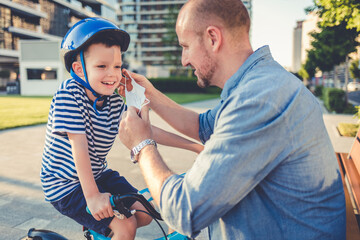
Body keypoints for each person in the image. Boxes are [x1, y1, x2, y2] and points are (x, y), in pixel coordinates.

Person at [118, 0, 346, 239]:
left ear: (213, 38)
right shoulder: (258, 83)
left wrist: (141, 145)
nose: (184, 60)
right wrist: (149, 94)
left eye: (185, 46)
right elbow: (202, 126)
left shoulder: (259, 99)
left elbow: (185, 211)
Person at [40, 17, 202, 240]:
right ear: (78, 69)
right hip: (65, 184)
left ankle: (97, 229)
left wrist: (196, 147)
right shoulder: (69, 95)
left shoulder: (114, 100)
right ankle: (102, 227)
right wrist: (93, 197)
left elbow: (145, 130)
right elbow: (79, 146)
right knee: (125, 228)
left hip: (97, 174)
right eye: (101, 66)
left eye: (117, 66)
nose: (112, 74)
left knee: (145, 214)